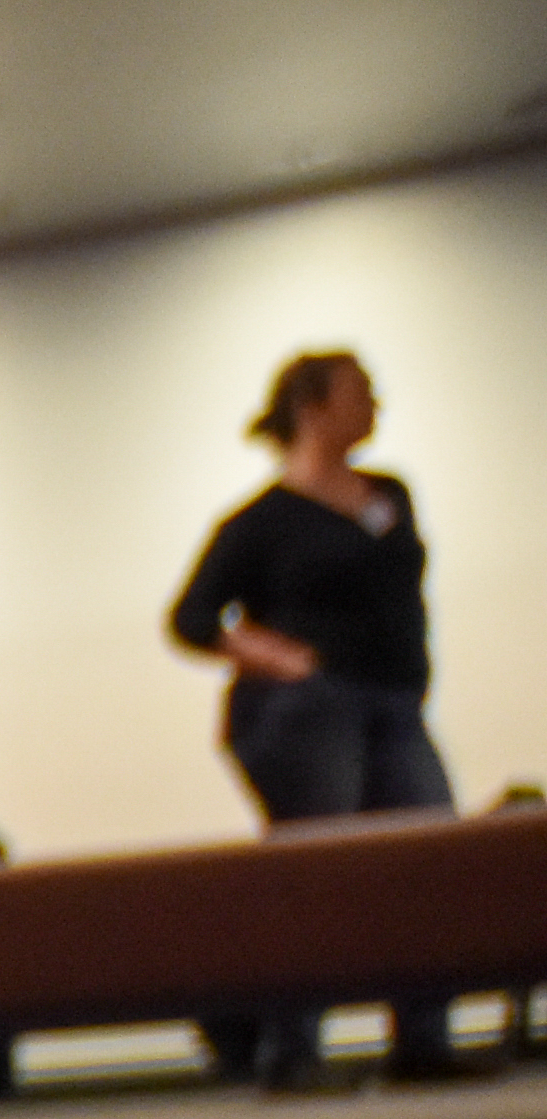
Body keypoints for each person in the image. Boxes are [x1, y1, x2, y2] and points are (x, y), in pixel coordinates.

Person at [166, 352, 458, 1082]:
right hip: (310, 710)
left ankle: (423, 1041)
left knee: (427, 863)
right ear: (312, 407)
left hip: (393, 701)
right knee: (317, 874)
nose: (376, 405)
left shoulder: (389, 494)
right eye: (360, 392)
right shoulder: (259, 522)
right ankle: (290, 1051)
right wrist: (272, 654)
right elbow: (192, 617)